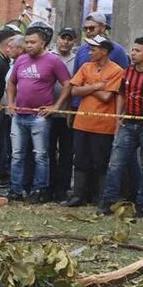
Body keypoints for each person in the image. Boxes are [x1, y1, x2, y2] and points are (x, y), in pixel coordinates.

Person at [98, 37, 143, 217]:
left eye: (137, 51)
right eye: (133, 50)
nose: (133, 53)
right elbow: (121, 95)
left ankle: (142, 204)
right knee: (115, 163)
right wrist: (118, 118)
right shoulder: (127, 72)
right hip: (128, 124)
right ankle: (108, 201)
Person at [6, 25, 71, 202]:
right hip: (19, 115)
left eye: (33, 42)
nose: (29, 45)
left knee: (41, 155)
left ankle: (39, 190)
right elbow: (11, 83)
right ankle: (15, 189)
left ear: (43, 43)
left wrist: (56, 106)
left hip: (39, 117)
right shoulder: (21, 60)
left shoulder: (54, 61)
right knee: (17, 155)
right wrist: (11, 103)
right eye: (27, 42)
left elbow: (68, 84)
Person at [57, 36, 123, 208]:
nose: (89, 53)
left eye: (93, 49)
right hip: (82, 122)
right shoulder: (86, 67)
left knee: (100, 162)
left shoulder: (116, 70)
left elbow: (107, 96)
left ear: (104, 51)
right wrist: (95, 86)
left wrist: (86, 87)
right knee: (80, 159)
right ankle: (78, 195)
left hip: (103, 125)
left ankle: (100, 197)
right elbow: (73, 91)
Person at [50, 27, 80, 201]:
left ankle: (62, 189)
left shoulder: (77, 60)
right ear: (57, 38)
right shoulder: (48, 56)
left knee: (66, 153)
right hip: (48, 111)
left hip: (67, 112)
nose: (65, 42)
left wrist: (70, 109)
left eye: (69, 39)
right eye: (63, 38)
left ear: (74, 41)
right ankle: (49, 186)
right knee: (48, 151)